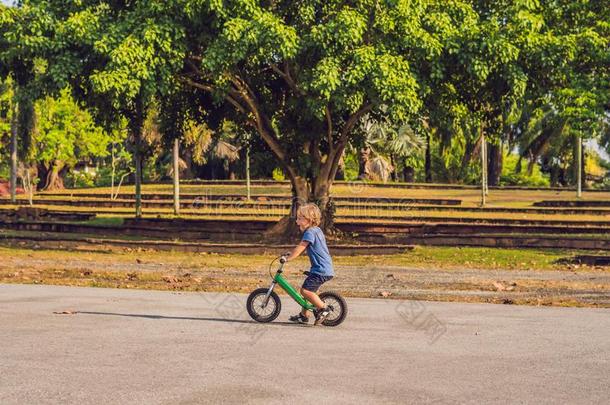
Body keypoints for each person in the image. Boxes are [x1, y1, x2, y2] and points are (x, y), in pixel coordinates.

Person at [283, 203, 334, 325]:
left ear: (309, 220)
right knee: (310, 290)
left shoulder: (309, 232)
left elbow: (301, 247)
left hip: (320, 270)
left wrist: (288, 258)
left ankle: (324, 308)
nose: (297, 221)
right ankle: (303, 316)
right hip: (324, 268)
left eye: (300, 218)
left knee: (305, 291)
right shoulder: (317, 230)